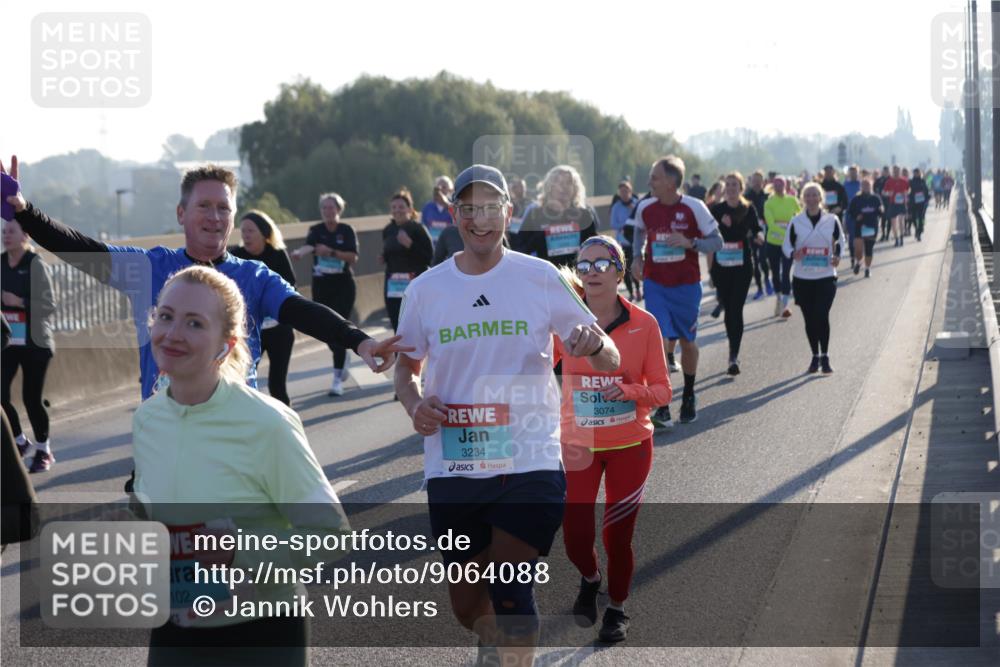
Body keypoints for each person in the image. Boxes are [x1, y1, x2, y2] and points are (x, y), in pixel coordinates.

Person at [394, 164, 620, 665]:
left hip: (530, 458)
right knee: (467, 603)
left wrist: (594, 344)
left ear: (508, 213)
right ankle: (495, 639)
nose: (481, 219)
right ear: (454, 215)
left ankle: (515, 650)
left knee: (512, 586)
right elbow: (407, 367)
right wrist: (415, 404)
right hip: (455, 460)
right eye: (469, 209)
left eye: (491, 208)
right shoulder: (426, 291)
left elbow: (609, 355)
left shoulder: (538, 277)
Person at [2, 157, 406, 403]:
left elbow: (304, 312)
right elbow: (82, 249)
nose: (215, 218)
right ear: (181, 214)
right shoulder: (150, 268)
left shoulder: (252, 275)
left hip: (232, 429)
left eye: (223, 209)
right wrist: (23, 210)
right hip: (165, 427)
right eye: (204, 207)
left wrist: (360, 341)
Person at [134, 265, 350, 666]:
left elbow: (329, 534)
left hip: (260, 633)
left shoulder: (267, 422)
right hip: (173, 627)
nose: (173, 333)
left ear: (225, 343)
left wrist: (240, 552)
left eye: (195, 323)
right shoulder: (147, 419)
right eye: (165, 316)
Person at [554, 236, 670, 643]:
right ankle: (590, 578)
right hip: (577, 444)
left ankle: (617, 608)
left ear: (620, 272)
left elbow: (662, 391)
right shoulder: (563, 324)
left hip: (630, 445)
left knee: (617, 536)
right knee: (575, 537)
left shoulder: (645, 323)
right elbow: (526, 365)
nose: (591, 273)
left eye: (602, 264)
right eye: (583, 266)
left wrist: (631, 392)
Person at [631, 155, 723, 426]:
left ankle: (690, 394)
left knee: (687, 342)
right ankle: (662, 404)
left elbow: (717, 242)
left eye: (655, 177)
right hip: (655, 283)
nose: (650, 182)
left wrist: (689, 242)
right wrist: (637, 257)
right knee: (659, 341)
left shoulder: (695, 207)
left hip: (685, 285)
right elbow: (639, 232)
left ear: (671, 182)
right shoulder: (645, 207)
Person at [291, 193, 360, 396]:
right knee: (326, 330)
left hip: (343, 286)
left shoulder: (346, 230)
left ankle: (337, 378)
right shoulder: (316, 230)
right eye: (324, 209)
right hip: (321, 286)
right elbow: (309, 246)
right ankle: (342, 354)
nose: (328, 212)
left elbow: (353, 257)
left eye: (331, 208)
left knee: (338, 327)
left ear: (339, 210)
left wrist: (330, 252)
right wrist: (300, 253)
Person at [1, 219, 56, 472]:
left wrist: (19, 301)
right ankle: (20, 441)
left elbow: (49, 306)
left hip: (35, 342)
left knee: (31, 399)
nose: (5, 235)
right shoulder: (1, 264)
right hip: (8, 340)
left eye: (11, 231)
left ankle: (44, 450)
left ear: (25, 236)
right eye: (3, 231)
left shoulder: (35, 265)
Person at [229, 211, 296, 406]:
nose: (245, 235)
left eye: (250, 231)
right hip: (249, 331)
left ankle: (286, 429)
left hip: (278, 331)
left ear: (264, 233)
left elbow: (292, 287)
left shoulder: (277, 254)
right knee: (244, 383)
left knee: (277, 386)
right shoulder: (235, 256)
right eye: (243, 231)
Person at [783, 183, 844, 374]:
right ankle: (814, 356)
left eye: (814, 195)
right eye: (807, 195)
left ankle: (825, 356)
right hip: (803, 278)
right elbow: (786, 246)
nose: (810, 198)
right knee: (809, 319)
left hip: (826, 276)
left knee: (821, 314)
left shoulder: (831, 219)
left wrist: (837, 256)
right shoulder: (796, 221)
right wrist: (794, 254)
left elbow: (841, 241)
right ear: (803, 198)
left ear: (820, 198)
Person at [707, 173, 763, 375]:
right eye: (728, 185)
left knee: (736, 309)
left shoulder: (748, 209)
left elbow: (757, 230)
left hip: (742, 266)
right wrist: (711, 270)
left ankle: (733, 355)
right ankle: (732, 345)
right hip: (722, 267)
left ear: (740, 187)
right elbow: (709, 239)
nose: (730, 188)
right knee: (729, 308)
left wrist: (758, 236)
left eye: (734, 185)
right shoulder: (716, 210)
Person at [517, 165, 600, 268]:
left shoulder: (584, 215)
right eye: (559, 182)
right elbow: (520, 248)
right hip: (545, 276)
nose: (563, 187)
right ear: (549, 186)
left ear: (575, 188)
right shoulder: (535, 214)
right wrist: (542, 234)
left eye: (568, 182)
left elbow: (594, 247)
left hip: (577, 277)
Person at [380, 188, 433, 331]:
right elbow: (390, 253)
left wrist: (410, 245)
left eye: (401, 207)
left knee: (415, 327)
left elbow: (429, 257)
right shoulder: (388, 230)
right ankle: (399, 354)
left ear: (410, 209)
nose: (397, 210)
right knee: (397, 326)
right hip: (393, 285)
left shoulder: (418, 229)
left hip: (414, 284)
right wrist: (383, 257)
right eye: (394, 207)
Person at [762, 177, 801, 318]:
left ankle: (785, 304)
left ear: (785, 186)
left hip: (788, 245)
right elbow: (771, 225)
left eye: (781, 184)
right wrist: (788, 233)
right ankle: (778, 297)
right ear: (773, 187)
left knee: (786, 272)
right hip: (773, 243)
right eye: (776, 185)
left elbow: (801, 215)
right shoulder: (769, 203)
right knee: (776, 273)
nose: (778, 187)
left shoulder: (792, 200)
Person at [609, 179, 641, 301]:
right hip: (622, 242)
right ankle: (631, 292)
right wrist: (625, 225)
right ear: (619, 193)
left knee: (635, 266)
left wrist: (634, 212)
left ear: (630, 191)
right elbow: (613, 224)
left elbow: (642, 221)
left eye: (626, 190)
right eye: (621, 191)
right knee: (625, 269)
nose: (624, 193)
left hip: (635, 241)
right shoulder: (616, 207)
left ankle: (638, 289)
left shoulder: (636, 204)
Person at [846, 176, 883, 278]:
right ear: (861, 186)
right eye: (864, 185)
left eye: (868, 185)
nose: (866, 187)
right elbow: (850, 212)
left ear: (871, 186)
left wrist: (880, 210)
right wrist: (856, 216)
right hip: (859, 226)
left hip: (872, 226)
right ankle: (859, 262)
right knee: (858, 250)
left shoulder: (875, 198)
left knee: (869, 249)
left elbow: (880, 211)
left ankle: (867, 269)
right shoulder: (856, 199)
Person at [744, 170, 772, 300]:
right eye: (754, 181)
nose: (756, 183)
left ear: (763, 182)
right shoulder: (745, 197)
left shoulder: (767, 196)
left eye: (758, 181)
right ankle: (760, 288)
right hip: (750, 233)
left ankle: (767, 280)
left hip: (764, 232)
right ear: (750, 182)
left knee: (763, 259)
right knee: (754, 261)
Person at [821, 165, 850, 269]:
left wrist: (839, 208)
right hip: (821, 218)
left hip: (835, 217)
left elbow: (845, 203)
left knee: (834, 239)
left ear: (833, 172)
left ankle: (833, 259)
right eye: (826, 171)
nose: (828, 173)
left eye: (830, 171)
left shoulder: (839, 187)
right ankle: (825, 261)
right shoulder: (820, 186)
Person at [421, 176, 455, 246]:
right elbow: (423, 227)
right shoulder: (427, 207)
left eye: (444, 187)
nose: (441, 190)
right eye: (438, 187)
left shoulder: (454, 206)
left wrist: (445, 204)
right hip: (431, 246)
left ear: (450, 190)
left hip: (449, 246)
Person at [882, 165, 909, 247]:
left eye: (897, 171)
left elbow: (908, 190)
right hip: (893, 204)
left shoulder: (904, 181)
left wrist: (905, 193)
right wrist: (888, 193)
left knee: (901, 221)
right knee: (894, 223)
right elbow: (883, 192)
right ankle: (896, 239)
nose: (896, 173)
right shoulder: (889, 181)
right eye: (894, 171)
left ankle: (901, 238)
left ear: (900, 172)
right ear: (892, 172)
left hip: (901, 203)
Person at [873, 166, 891, 241]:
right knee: (883, 219)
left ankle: (888, 235)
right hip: (881, 202)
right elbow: (874, 189)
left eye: (887, 171)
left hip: (890, 202)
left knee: (889, 218)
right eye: (884, 171)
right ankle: (883, 234)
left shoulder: (891, 179)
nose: (885, 172)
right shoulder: (879, 180)